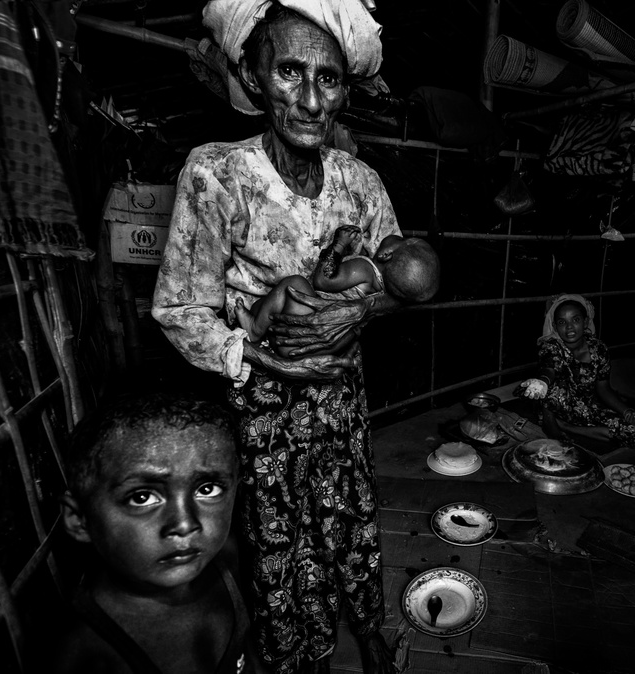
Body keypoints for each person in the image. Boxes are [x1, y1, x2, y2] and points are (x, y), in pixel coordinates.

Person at [151, 2, 406, 672]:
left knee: (352, 513)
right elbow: (181, 307)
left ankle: (370, 629)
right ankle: (305, 655)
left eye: (330, 78)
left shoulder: (362, 183)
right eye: (291, 71)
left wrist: (362, 312)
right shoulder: (218, 174)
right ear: (254, 74)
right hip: (264, 408)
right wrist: (250, 353)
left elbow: (401, 278)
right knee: (281, 542)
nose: (313, 99)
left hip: (342, 397)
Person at [50, 393, 249, 674]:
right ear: (79, 519)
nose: (184, 524)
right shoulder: (85, 652)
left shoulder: (228, 564)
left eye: (207, 489)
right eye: (142, 497)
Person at [235, 225, 439, 348]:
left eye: (403, 240)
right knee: (265, 304)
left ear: (386, 255)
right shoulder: (381, 289)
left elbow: (323, 280)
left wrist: (339, 245)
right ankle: (258, 320)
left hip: (300, 328)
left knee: (294, 284)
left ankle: (255, 329)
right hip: (330, 345)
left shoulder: (364, 269)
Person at [515, 293, 635, 449]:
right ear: (555, 327)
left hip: (585, 408)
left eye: (575, 320)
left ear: (585, 322)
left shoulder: (599, 349)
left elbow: (603, 389)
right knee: (556, 383)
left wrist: (626, 411)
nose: (569, 327)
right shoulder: (551, 347)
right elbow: (548, 371)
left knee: (634, 433)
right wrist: (542, 382)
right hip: (555, 407)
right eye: (562, 322)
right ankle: (551, 425)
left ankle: (567, 427)